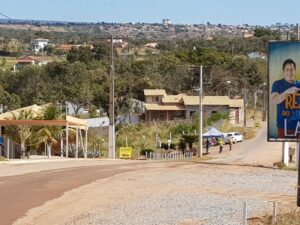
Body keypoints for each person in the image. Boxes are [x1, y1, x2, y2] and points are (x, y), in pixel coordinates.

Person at [271, 59, 300, 138]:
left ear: (295, 71)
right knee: (284, 148)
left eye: (292, 70)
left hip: (298, 126)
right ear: (283, 71)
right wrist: (287, 92)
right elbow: (274, 100)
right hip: (283, 127)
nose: (290, 72)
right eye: (287, 69)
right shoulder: (277, 84)